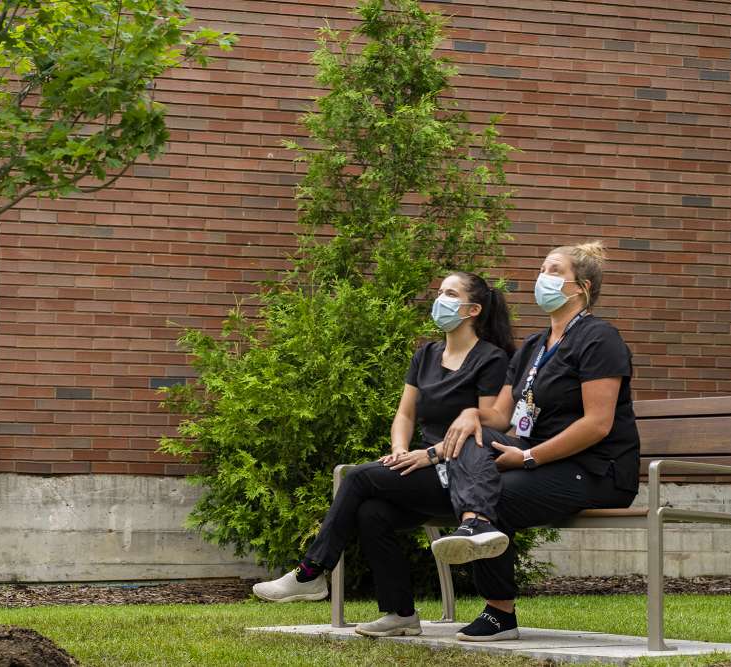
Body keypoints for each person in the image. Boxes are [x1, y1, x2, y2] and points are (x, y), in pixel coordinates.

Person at [252, 271, 516, 638]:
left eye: (450, 293)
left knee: (357, 477)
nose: (439, 299)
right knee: (371, 511)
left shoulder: (491, 358)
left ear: (472, 309)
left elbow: (484, 429)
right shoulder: (426, 354)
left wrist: (431, 455)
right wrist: (399, 450)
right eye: (439, 291)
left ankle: (311, 572)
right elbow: (405, 414)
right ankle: (400, 613)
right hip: (423, 466)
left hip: (463, 473)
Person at [433, 241, 641, 642]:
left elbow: (598, 425)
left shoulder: (599, 339)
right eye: (541, 269)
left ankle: (498, 613)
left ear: (579, 287)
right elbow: (502, 416)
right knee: (477, 435)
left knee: (496, 494)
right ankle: (475, 524)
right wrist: (473, 414)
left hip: (598, 470)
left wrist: (528, 456)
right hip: (545, 464)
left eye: (553, 270)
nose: (541, 278)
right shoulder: (533, 345)